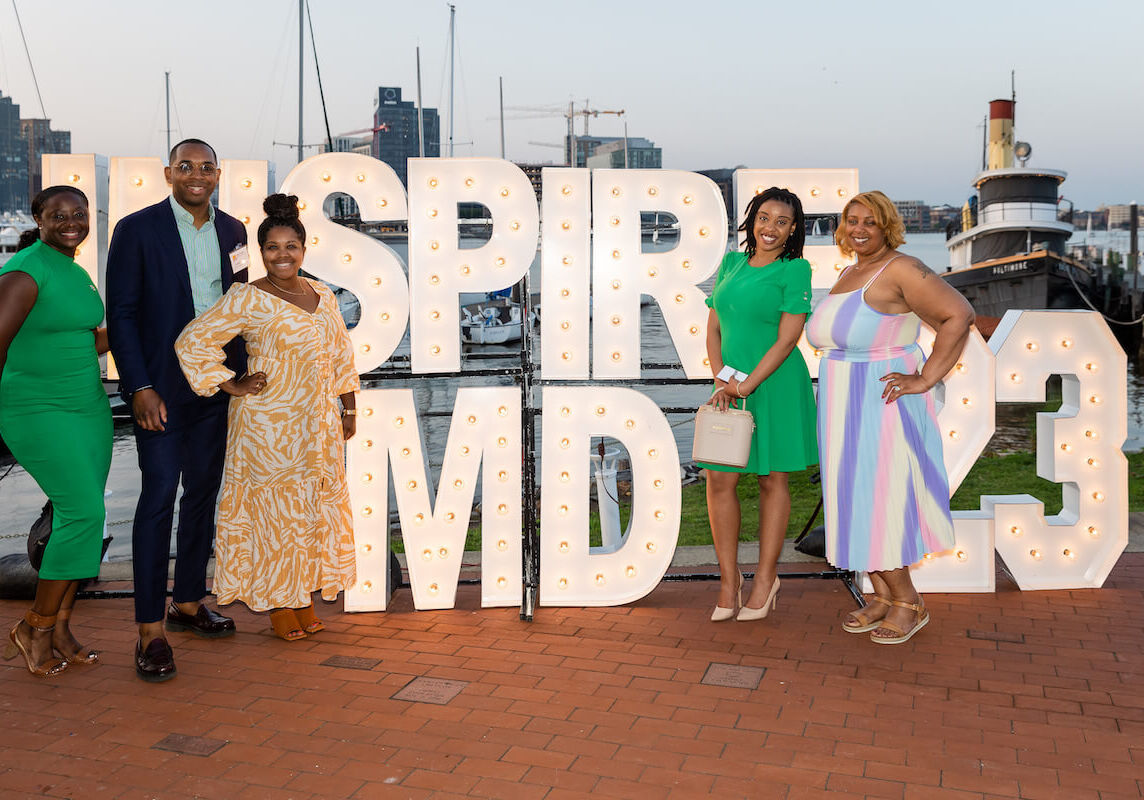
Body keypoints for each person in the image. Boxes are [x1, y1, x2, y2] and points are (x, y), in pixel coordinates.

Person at [174, 194, 359, 641]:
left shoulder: (324, 295)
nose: (282, 255)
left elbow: (340, 355)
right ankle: (279, 603)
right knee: (274, 515)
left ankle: (302, 597)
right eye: (272, 247)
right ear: (261, 252)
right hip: (266, 427)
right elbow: (193, 340)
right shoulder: (249, 297)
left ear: (304, 248)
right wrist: (232, 384)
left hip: (315, 425)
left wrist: (348, 407)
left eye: (290, 246)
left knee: (310, 509)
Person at [106, 138, 248, 682]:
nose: (196, 175)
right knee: (160, 495)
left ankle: (186, 604)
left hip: (216, 388)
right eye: (185, 166)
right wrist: (138, 385)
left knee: (203, 497)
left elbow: (241, 308)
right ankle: (149, 630)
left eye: (206, 167)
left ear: (218, 174)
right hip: (159, 391)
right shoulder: (136, 229)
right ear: (169, 173)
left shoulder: (234, 231)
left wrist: (240, 377)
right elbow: (121, 315)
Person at [806, 190, 974, 644]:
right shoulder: (849, 271)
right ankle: (881, 597)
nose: (859, 229)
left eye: (871, 222)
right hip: (842, 401)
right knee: (854, 500)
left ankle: (909, 602)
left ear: (887, 228)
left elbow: (958, 314)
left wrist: (924, 378)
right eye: (852, 220)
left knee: (882, 500)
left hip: (881, 403)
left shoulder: (900, 268)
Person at [0, 186, 111, 677]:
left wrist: (145, 326)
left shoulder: (76, 271)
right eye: (59, 215)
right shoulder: (27, 270)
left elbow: (82, 339)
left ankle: (61, 627)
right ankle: (34, 629)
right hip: (37, 409)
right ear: (39, 220)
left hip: (88, 406)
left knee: (83, 518)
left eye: (79, 213)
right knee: (81, 511)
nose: (72, 221)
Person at [700, 187, 818, 622]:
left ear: (793, 230)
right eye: (764, 217)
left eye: (782, 222)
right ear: (751, 220)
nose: (770, 228)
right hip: (729, 387)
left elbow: (789, 339)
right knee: (718, 480)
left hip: (776, 385)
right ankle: (729, 582)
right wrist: (723, 377)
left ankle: (766, 580)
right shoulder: (731, 263)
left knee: (772, 481)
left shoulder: (796, 269)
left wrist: (749, 383)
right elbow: (713, 327)